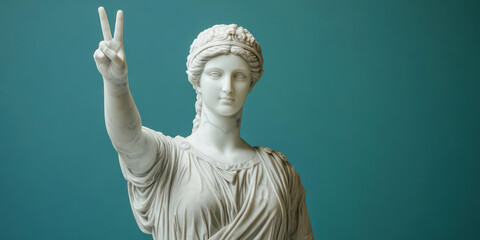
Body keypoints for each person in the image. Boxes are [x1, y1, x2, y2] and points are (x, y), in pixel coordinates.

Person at [93, 6, 313, 240]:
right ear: (197, 81)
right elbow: (128, 139)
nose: (227, 87)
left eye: (238, 76)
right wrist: (116, 84)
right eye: (216, 75)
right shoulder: (170, 159)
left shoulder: (278, 172)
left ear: (251, 83)